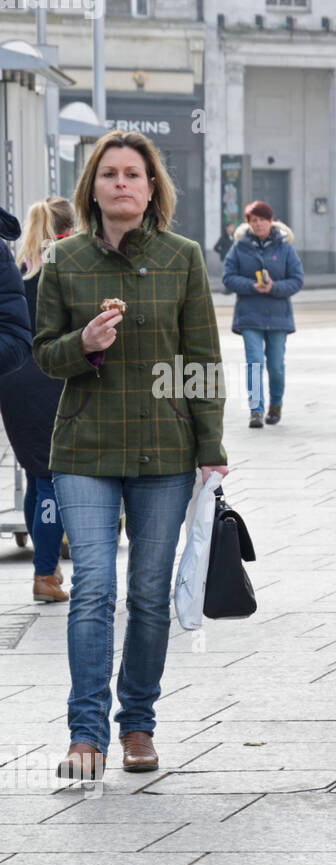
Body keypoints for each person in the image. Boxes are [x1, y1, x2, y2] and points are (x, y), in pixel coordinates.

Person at [33, 129, 228, 780]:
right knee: (93, 588)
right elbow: (43, 354)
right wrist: (83, 342)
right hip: (84, 447)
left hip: (163, 451)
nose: (122, 183)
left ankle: (137, 724)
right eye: (110, 173)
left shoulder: (182, 259)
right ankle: (84, 734)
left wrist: (210, 446)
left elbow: (199, 359)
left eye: (134, 174)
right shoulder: (65, 262)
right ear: (93, 187)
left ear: (151, 191)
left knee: (147, 593)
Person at [2, 197, 74, 604]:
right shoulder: (68, 270)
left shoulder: (18, 270)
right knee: (51, 476)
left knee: (36, 475)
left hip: (13, 381)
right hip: (50, 377)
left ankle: (45, 569)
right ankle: (45, 574)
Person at [223, 200, 304, 427]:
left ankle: (275, 406)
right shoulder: (239, 248)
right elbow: (228, 278)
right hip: (250, 316)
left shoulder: (285, 248)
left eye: (262, 220)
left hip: (278, 317)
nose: (258, 225)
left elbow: (297, 280)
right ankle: (256, 411)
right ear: (248, 223)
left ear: (271, 221)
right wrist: (251, 285)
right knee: (254, 362)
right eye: (253, 221)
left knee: (276, 366)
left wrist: (274, 288)